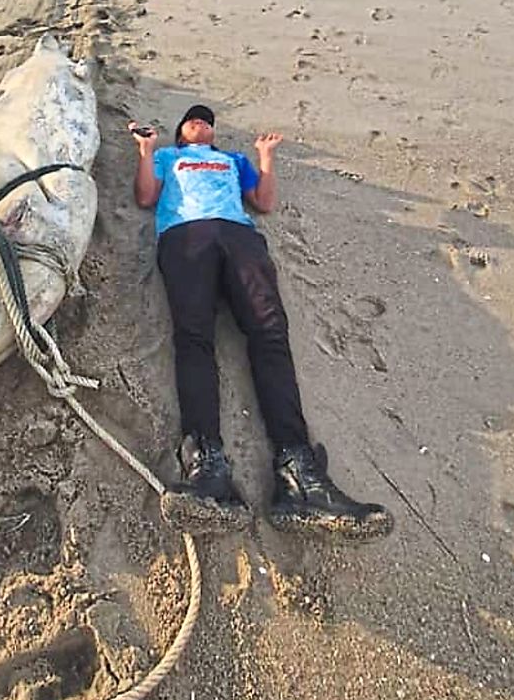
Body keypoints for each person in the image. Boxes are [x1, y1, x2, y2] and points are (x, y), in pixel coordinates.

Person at [130, 104, 393, 539]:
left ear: (213, 134)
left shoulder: (232, 160)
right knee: (194, 337)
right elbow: (145, 196)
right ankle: (207, 468)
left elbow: (264, 202)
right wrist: (146, 149)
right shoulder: (167, 157)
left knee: (270, 333)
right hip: (185, 235)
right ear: (180, 133)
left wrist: (265, 158)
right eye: (192, 119)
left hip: (239, 236)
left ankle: (299, 474)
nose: (200, 121)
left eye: (207, 120)